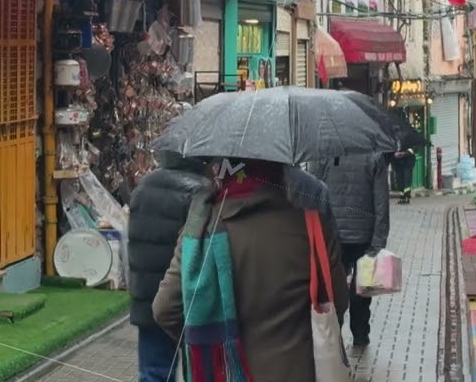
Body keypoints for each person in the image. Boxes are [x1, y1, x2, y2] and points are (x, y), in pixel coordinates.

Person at [153, 159, 348, 382]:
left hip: (223, 374)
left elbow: (165, 309)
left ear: (225, 165)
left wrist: (211, 343)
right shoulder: (312, 223)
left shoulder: (202, 229)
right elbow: (338, 301)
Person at [127, 150, 214, 382]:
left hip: (146, 299)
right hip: (184, 299)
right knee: (198, 370)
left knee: (153, 372)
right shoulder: (200, 191)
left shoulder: (144, 186)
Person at [311, 152, 390, 352]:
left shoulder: (323, 153)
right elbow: (382, 202)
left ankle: (334, 333)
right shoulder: (374, 155)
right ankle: (361, 335)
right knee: (363, 288)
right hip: (365, 235)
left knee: (332, 286)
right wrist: (378, 241)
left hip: (332, 234)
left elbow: (313, 193)